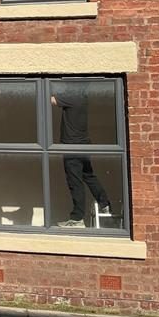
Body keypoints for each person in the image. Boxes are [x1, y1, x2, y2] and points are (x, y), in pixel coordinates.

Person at [51, 84, 111, 228]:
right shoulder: (83, 98)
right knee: (88, 176)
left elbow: (52, 100)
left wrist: (48, 86)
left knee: (75, 182)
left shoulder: (72, 97)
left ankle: (77, 218)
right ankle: (104, 203)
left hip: (72, 146)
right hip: (84, 144)